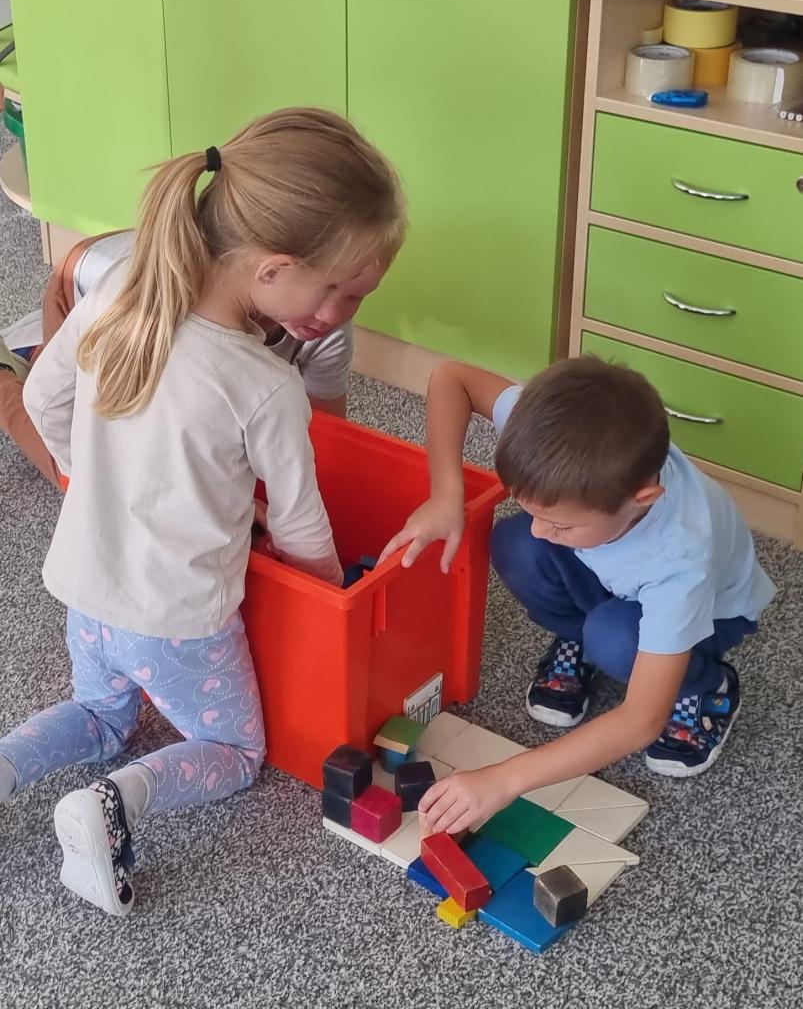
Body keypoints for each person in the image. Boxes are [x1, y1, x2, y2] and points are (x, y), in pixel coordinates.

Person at [0, 107, 405, 915]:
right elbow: (301, 524)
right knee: (231, 748)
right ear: (272, 269)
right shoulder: (266, 385)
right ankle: (113, 804)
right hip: (178, 620)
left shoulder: (120, 293)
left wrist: (89, 477)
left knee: (100, 714)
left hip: (84, 588)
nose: (342, 313)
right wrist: (334, 592)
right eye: (339, 291)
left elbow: (41, 397)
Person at [379, 357, 775, 836]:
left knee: (614, 639)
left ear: (641, 498)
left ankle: (706, 685)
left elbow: (639, 721)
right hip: (611, 576)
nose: (541, 529)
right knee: (516, 543)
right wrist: (446, 492)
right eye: (533, 510)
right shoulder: (559, 439)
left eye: (561, 524)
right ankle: (579, 636)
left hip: (713, 617)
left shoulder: (680, 560)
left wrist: (503, 780)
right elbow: (452, 378)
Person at [0, 220, 383, 486]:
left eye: (355, 297)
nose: (333, 314)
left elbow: (324, 440)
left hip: (144, 277)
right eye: (327, 290)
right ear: (273, 271)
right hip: (86, 282)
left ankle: (33, 348)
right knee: (95, 463)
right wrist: (87, 481)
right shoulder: (184, 314)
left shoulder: (327, 328)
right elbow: (49, 404)